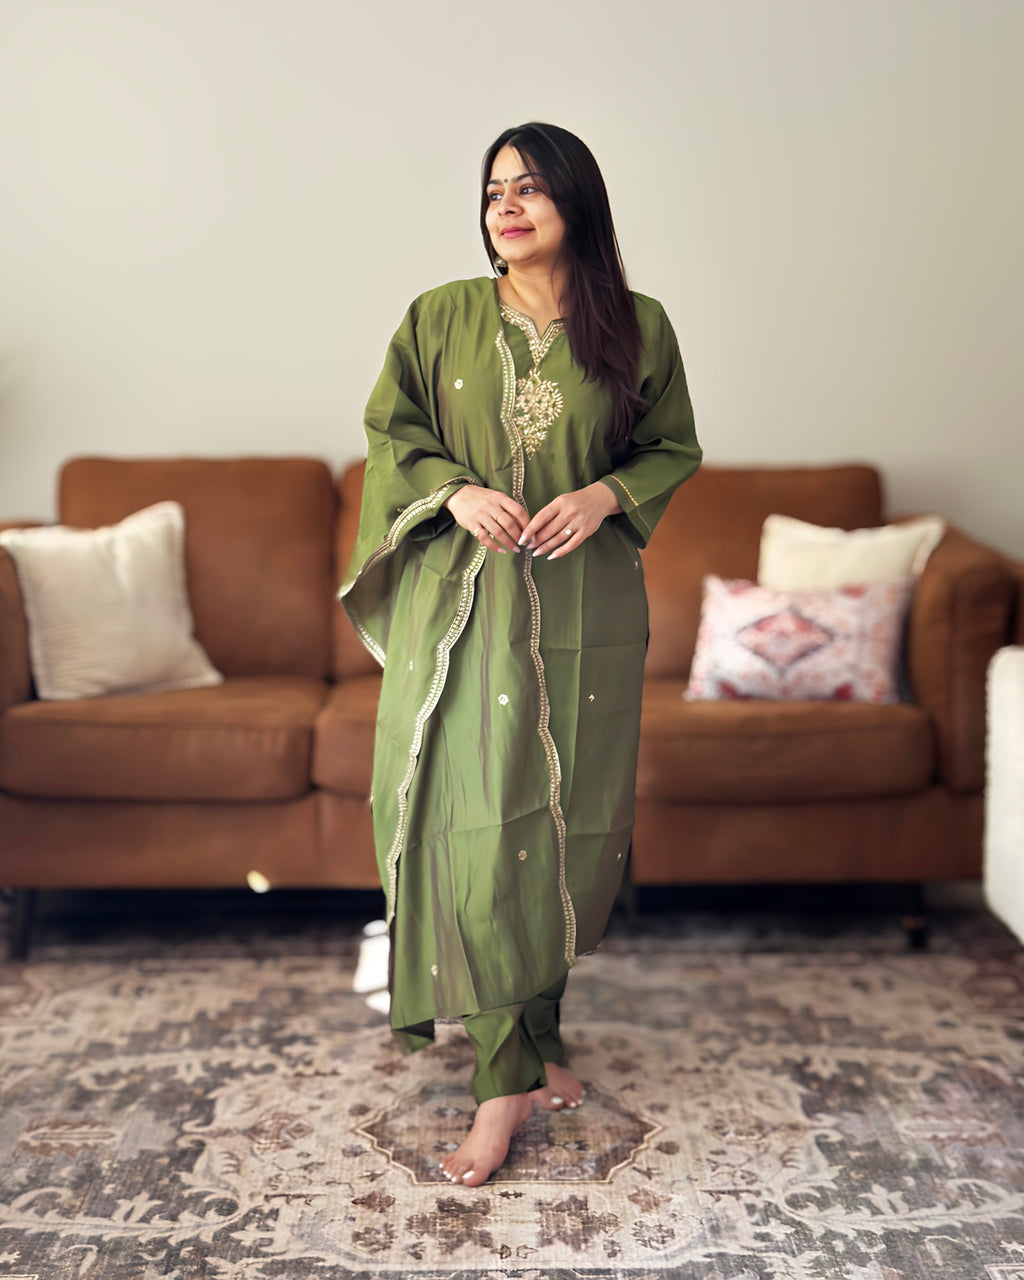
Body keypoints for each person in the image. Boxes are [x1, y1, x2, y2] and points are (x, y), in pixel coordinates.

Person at [341, 122, 701, 1187]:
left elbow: (669, 445)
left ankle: (536, 1041)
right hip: (463, 605)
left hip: (585, 606)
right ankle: (500, 1081)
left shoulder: (636, 325)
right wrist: (455, 491)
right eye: (495, 188)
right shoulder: (440, 316)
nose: (506, 205)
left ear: (576, 203)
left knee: (558, 821)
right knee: (471, 823)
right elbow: (392, 435)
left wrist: (604, 496)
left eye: (530, 187)